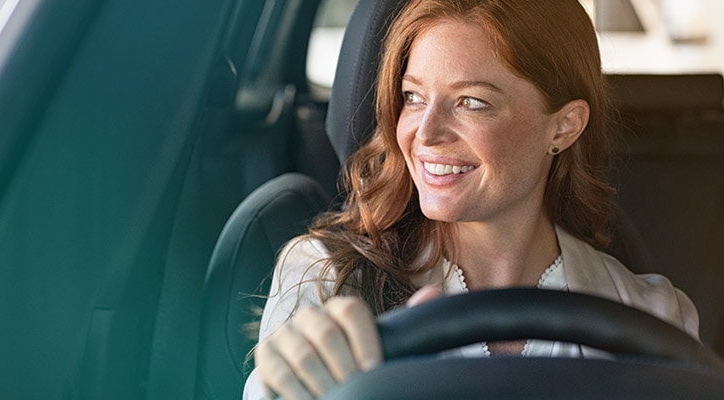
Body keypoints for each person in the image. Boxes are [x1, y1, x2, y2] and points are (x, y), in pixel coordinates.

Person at [243, 0, 700, 399]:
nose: (424, 134)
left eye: (471, 102)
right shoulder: (327, 282)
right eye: (413, 97)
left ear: (563, 127)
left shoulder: (655, 318)